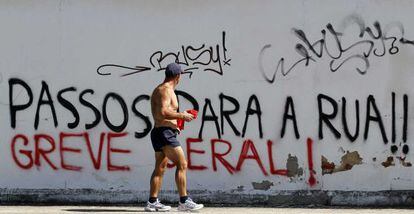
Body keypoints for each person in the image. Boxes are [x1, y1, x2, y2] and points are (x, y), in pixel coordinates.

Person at [144, 63, 204, 212]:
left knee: (160, 167)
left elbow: (163, 112)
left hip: (159, 132)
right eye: (181, 75)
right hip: (165, 133)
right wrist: (182, 115)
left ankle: (152, 202)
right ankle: (183, 201)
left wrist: (178, 120)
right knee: (182, 164)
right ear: (178, 76)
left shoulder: (161, 89)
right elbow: (164, 111)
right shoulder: (165, 90)